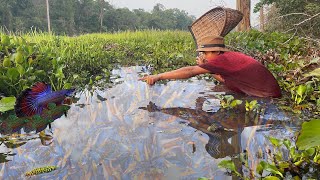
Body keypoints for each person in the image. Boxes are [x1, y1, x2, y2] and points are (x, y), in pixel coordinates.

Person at [139, 35, 281, 98]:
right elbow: (225, 81)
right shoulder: (228, 59)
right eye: (203, 53)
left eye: (206, 53)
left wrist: (158, 76)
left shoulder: (224, 59)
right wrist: (207, 68)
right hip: (268, 95)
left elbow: (190, 71)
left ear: (217, 51)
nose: (205, 56)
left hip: (266, 99)